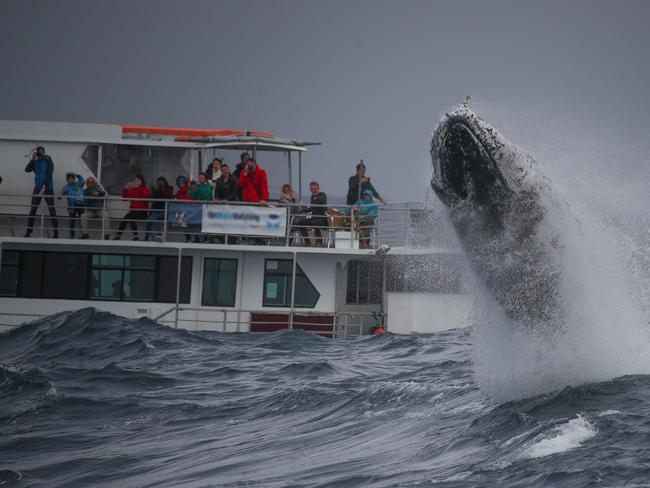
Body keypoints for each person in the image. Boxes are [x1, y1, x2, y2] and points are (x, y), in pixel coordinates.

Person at [24, 146, 59, 238]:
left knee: (52, 210)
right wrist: (32, 159)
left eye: (41, 152)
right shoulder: (35, 161)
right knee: (33, 210)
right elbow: (27, 170)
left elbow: (49, 172)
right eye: (38, 152)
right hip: (37, 188)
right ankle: (28, 232)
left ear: (44, 152)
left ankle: (56, 233)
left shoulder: (48, 159)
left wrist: (44, 185)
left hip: (48, 188)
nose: (39, 153)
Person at [114, 174, 150, 240]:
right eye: (135, 180)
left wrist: (138, 188)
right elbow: (125, 198)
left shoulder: (145, 188)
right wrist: (126, 189)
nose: (136, 182)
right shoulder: (133, 190)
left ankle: (132, 236)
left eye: (138, 180)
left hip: (142, 212)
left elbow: (144, 197)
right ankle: (119, 236)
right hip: (133, 211)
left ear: (141, 182)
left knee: (128, 217)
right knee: (126, 218)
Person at [294, 181, 328, 246]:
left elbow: (322, 202)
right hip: (314, 218)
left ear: (318, 188)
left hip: (323, 219)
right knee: (301, 223)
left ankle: (319, 242)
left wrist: (316, 196)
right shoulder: (312, 196)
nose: (313, 190)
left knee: (315, 223)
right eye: (312, 189)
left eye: (315, 189)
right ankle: (307, 242)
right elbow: (312, 208)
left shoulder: (323, 194)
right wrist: (303, 211)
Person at [144, 177, 173, 241]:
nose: (160, 183)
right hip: (155, 210)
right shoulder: (156, 190)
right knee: (148, 221)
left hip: (164, 210)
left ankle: (160, 235)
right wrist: (153, 190)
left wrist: (162, 189)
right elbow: (151, 198)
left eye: (161, 182)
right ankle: (146, 237)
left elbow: (169, 197)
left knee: (154, 219)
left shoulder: (169, 188)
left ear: (165, 182)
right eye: (158, 182)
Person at [59, 173, 85, 239]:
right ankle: (71, 235)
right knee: (72, 221)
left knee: (82, 220)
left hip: (80, 205)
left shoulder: (79, 184)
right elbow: (61, 192)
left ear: (74, 179)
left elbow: (83, 181)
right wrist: (60, 196)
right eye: (69, 179)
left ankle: (84, 235)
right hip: (72, 205)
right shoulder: (66, 187)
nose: (70, 180)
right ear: (67, 180)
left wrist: (77, 175)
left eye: (71, 179)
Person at [174, 175, 193, 243]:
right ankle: (188, 238)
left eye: (182, 183)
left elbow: (190, 199)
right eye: (180, 183)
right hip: (183, 210)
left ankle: (190, 238)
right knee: (184, 225)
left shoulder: (188, 190)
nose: (181, 184)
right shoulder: (179, 192)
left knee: (188, 225)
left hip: (188, 209)